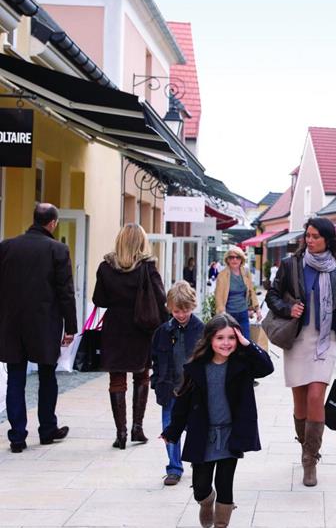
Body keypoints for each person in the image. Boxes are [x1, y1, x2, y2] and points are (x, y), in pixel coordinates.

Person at [161, 313, 274, 528]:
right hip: (203, 434)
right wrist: (172, 431)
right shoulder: (196, 367)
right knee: (201, 485)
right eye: (220, 338)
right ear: (209, 339)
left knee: (225, 482)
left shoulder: (242, 364)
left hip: (231, 434)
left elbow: (267, 367)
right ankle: (206, 501)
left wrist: (247, 343)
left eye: (231, 338)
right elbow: (182, 403)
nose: (226, 343)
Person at [266, 217, 336, 487]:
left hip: (325, 340)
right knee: (300, 402)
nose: (310, 240)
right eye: (308, 235)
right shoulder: (291, 264)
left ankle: (310, 460)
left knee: (316, 396)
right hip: (297, 340)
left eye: (316, 236)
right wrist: (288, 309)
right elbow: (272, 295)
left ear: (327, 240)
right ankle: (304, 446)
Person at [0, 203, 76, 453]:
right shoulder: (58, 250)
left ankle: (17, 436)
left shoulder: (7, 247)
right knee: (47, 376)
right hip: (45, 324)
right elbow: (65, 292)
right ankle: (47, 430)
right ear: (52, 223)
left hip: (12, 324)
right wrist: (70, 327)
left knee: (15, 378)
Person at [93, 223, 167, 450]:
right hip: (142, 328)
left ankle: (121, 433)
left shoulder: (105, 267)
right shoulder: (148, 267)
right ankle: (137, 427)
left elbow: (99, 300)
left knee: (116, 380)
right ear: (142, 242)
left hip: (114, 328)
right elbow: (161, 298)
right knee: (142, 375)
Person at [151, 281, 205, 486]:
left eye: (185, 310)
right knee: (169, 427)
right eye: (176, 311)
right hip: (169, 389)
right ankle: (174, 467)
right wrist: (156, 382)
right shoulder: (162, 332)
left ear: (192, 306)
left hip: (194, 390)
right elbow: (156, 359)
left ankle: (199, 463)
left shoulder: (201, 330)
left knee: (196, 428)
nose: (181, 315)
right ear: (170, 309)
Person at [215, 245, 261, 338]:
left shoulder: (246, 273)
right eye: (231, 257)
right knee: (231, 341)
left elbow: (251, 291)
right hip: (228, 315)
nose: (234, 260)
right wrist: (222, 313)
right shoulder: (222, 275)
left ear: (241, 259)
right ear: (227, 260)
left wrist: (257, 309)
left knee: (245, 341)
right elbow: (218, 297)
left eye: (237, 257)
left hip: (243, 313)